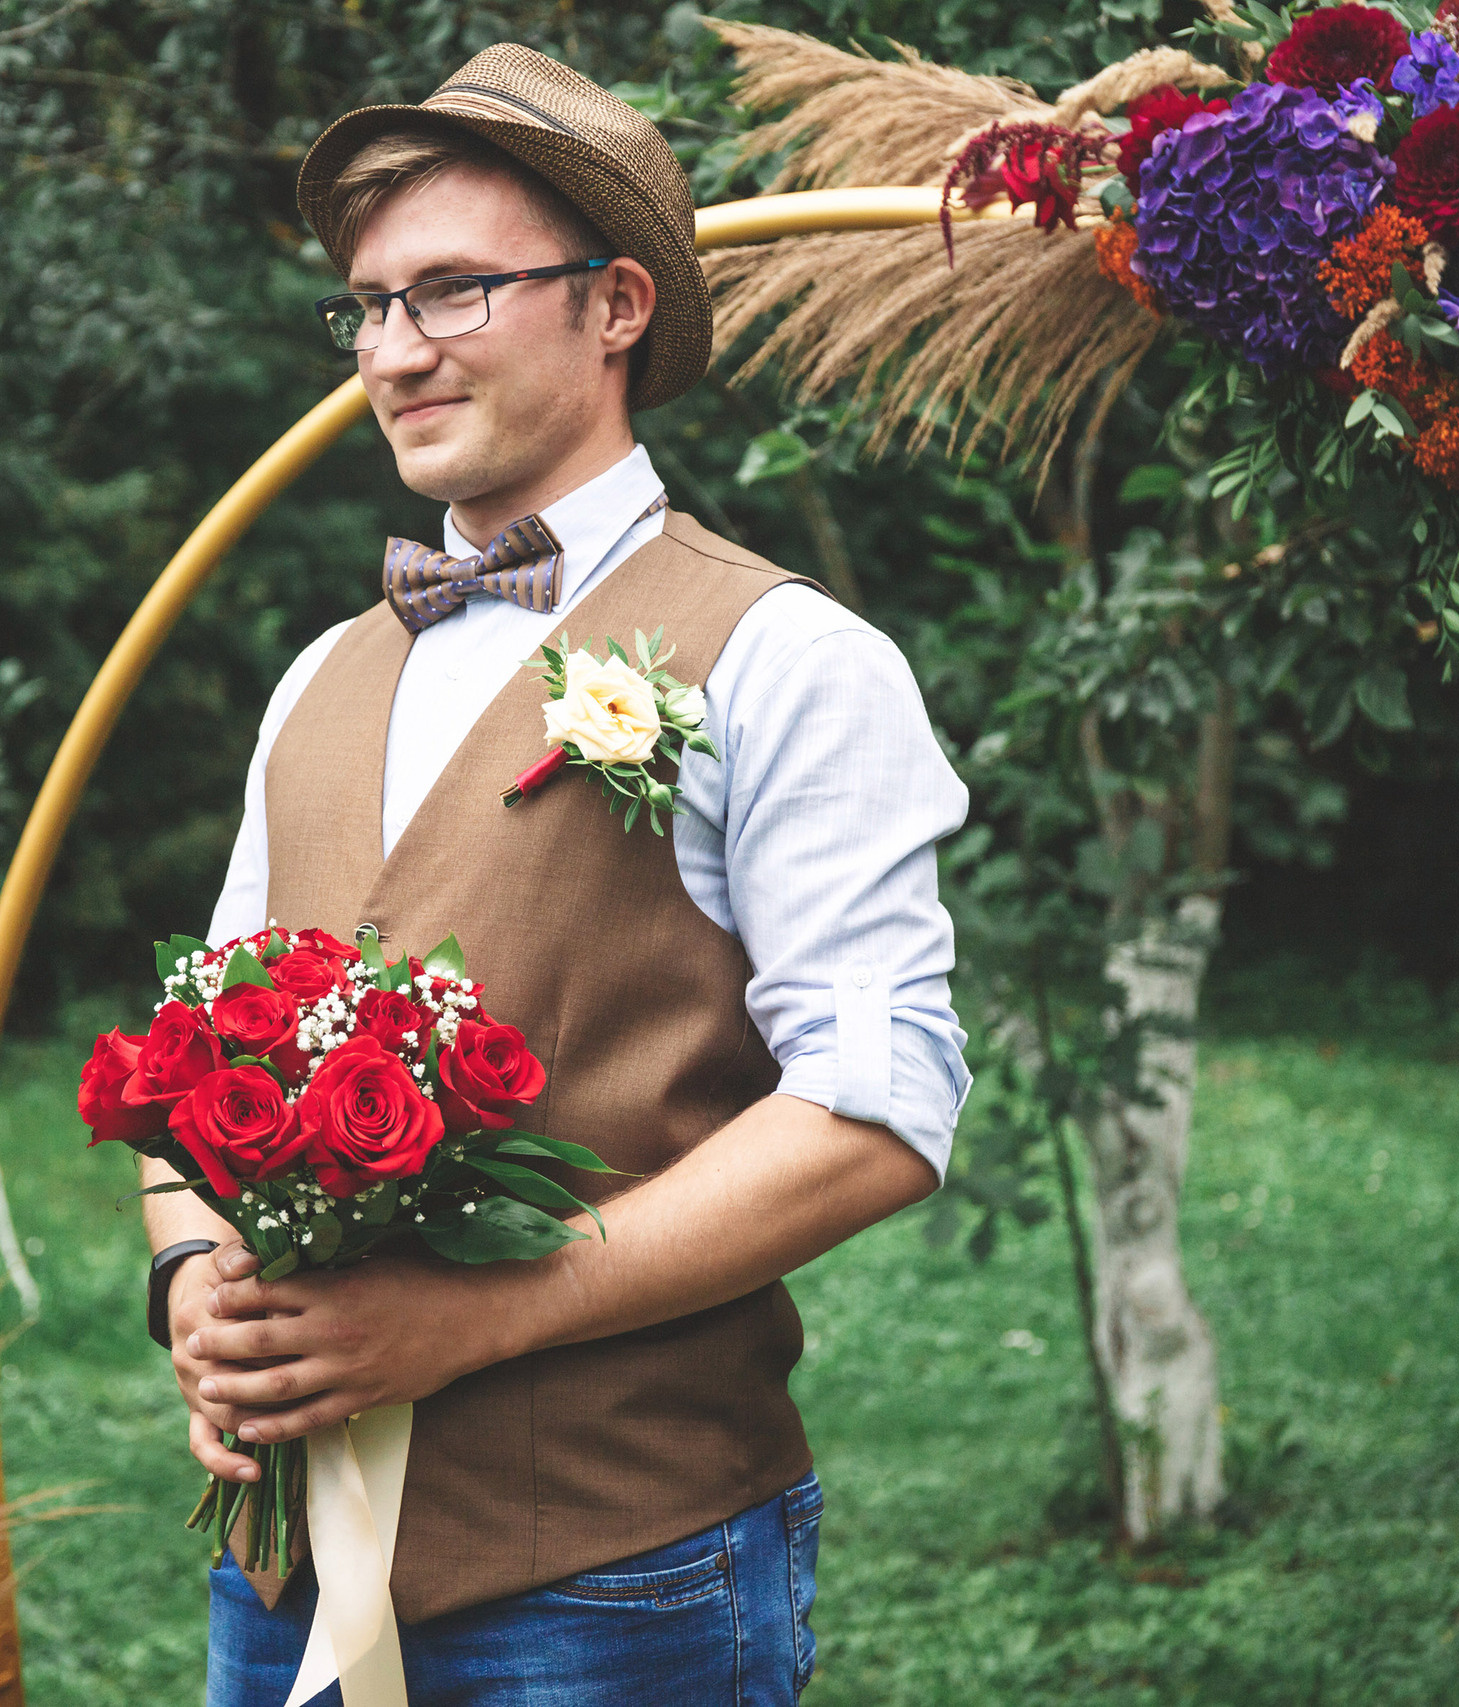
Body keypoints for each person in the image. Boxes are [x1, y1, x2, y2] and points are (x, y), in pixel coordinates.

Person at [137, 42, 972, 1706]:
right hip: (278, 1579)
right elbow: (193, 1073)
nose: (392, 352)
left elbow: (876, 1111)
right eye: (368, 307)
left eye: (452, 291)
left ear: (617, 305)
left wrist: (481, 1316)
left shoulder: (790, 658)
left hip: (618, 1582)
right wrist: (188, 1281)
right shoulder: (314, 680)